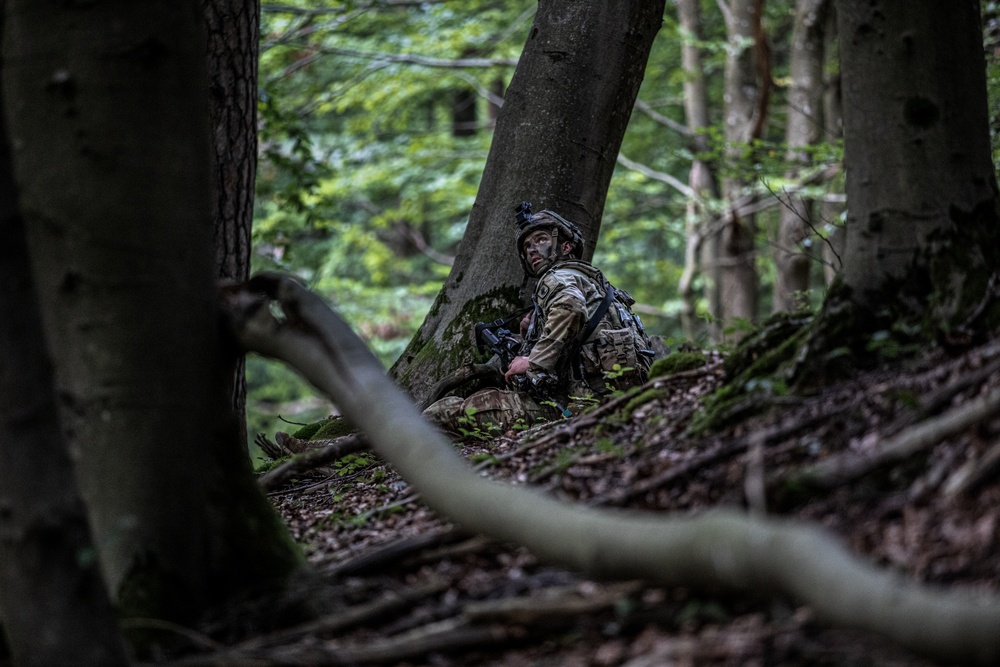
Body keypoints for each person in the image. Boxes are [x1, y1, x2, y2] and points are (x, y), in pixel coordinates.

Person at [423, 203, 654, 437]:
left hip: (577, 407)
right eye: (527, 246)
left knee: (442, 414)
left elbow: (571, 307)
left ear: (566, 245)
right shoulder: (595, 285)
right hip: (618, 400)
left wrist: (533, 362)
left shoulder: (556, 278)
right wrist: (530, 334)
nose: (532, 250)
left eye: (541, 240)